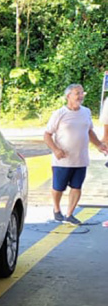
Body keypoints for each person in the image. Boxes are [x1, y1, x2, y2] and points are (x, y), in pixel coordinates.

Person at [43, 84, 108, 225]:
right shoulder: (59, 113)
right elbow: (47, 135)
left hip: (81, 159)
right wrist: (55, 149)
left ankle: (70, 214)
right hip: (63, 159)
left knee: (77, 187)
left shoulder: (86, 112)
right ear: (68, 96)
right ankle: (56, 209)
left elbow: (89, 131)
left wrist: (99, 145)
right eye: (77, 93)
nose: (80, 96)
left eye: (81, 93)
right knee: (58, 187)